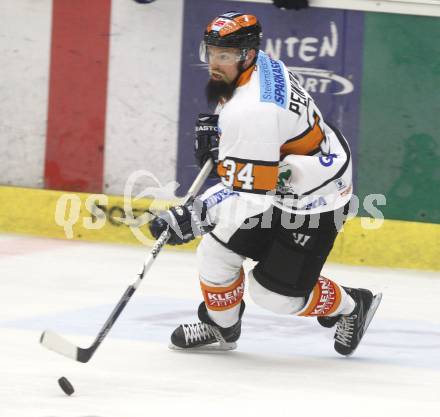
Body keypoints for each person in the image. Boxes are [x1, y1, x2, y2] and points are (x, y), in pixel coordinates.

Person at [149, 11, 382, 356]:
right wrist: (222, 137)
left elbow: (251, 195)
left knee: (275, 297)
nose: (214, 62)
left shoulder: (252, 111)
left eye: (224, 55)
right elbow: (260, 153)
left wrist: (195, 215)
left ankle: (352, 305)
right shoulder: (260, 67)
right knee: (215, 254)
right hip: (293, 176)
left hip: (315, 201)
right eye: (211, 52)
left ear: (246, 53)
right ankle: (221, 327)